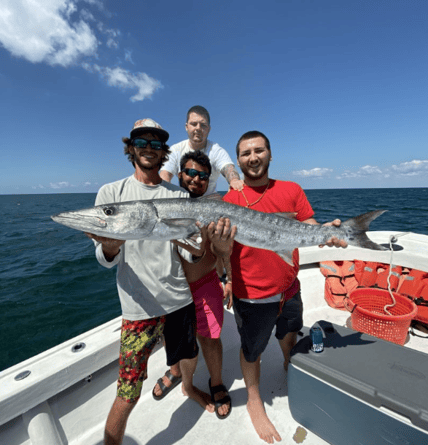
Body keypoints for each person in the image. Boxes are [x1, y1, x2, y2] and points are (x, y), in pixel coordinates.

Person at [86, 119, 228, 445]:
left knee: (188, 354)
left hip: (179, 298)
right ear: (131, 147)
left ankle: (187, 385)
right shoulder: (111, 194)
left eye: (155, 143)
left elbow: (187, 253)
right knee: (129, 392)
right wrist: (109, 246)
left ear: (164, 151)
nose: (149, 148)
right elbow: (105, 258)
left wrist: (199, 246)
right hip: (138, 308)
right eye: (142, 141)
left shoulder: (177, 195)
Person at [222, 130, 347, 444]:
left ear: (270, 154)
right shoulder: (230, 200)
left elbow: (307, 225)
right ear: (238, 160)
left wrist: (328, 233)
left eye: (259, 150)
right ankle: (253, 397)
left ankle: (292, 363)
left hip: (290, 286)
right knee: (252, 351)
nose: (253, 157)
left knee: (289, 332)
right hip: (251, 295)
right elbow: (221, 251)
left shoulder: (291, 189)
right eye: (246, 153)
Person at [153, 150, 234, 419]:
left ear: (208, 181)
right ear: (180, 175)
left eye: (202, 176)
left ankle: (216, 382)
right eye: (190, 172)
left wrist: (228, 279)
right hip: (172, 289)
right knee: (173, 339)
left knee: (210, 339)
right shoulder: (166, 205)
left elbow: (225, 250)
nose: (195, 179)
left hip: (205, 283)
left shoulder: (217, 209)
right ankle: (180, 376)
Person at [160, 105, 244, 194]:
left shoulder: (216, 150)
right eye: (193, 124)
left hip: (211, 202)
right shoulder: (175, 150)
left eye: (203, 125)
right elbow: (165, 176)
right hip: (184, 202)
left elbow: (228, 168)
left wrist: (234, 181)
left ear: (209, 129)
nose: (198, 128)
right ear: (186, 127)